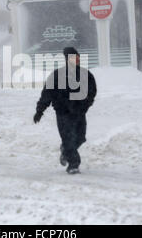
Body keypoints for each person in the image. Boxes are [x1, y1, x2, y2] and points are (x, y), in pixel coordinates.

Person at [33, 47, 97, 175]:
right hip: (63, 113)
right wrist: (40, 110)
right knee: (68, 139)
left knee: (80, 138)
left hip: (79, 113)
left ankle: (65, 151)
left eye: (78, 57)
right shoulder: (57, 75)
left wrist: (85, 105)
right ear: (67, 59)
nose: (77, 60)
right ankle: (73, 164)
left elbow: (92, 92)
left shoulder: (85, 74)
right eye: (74, 57)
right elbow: (47, 94)